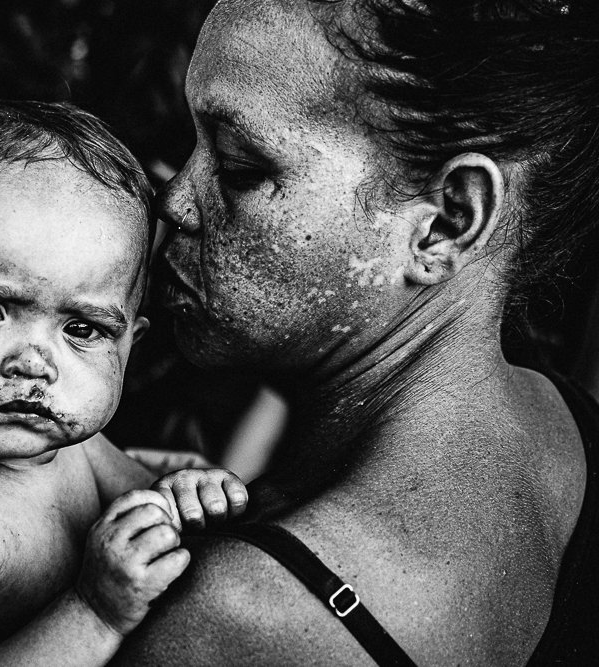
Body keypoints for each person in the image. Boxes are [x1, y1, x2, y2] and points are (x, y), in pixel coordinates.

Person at [112, 0, 599, 665]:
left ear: (446, 221)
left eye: (240, 166)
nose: (175, 199)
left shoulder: (247, 617)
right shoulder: (568, 429)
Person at [0, 101, 248, 666]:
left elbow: (148, 503)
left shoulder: (67, 442)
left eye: (82, 328)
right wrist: (95, 611)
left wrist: (183, 495)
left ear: (130, 342)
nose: (33, 364)